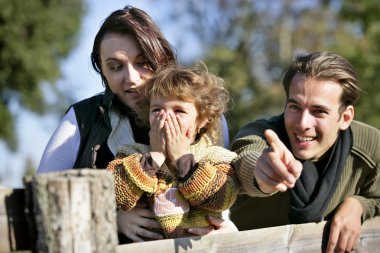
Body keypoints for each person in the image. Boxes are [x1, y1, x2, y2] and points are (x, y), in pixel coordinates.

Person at [37, 5, 233, 243]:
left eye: (143, 62)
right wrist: (110, 217)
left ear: (161, 58)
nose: (131, 77)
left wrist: (226, 230)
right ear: (102, 70)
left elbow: (223, 196)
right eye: (115, 66)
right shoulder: (81, 118)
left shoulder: (208, 117)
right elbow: (43, 198)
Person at [230, 52, 380, 253]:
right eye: (295, 107)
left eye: (319, 111)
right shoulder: (259, 133)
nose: (302, 124)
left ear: (345, 117)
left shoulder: (370, 147)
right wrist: (262, 173)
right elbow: (244, 158)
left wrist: (359, 205)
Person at [107, 63, 240, 239]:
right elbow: (113, 194)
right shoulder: (132, 154)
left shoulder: (215, 157)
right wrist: (154, 158)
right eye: (157, 110)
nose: (166, 118)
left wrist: (182, 160)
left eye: (178, 110)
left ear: (201, 120)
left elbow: (223, 197)